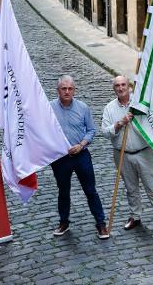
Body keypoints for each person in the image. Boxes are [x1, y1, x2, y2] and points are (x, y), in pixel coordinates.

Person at [101, 75, 153, 237]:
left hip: (144, 153)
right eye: (117, 86)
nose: (121, 88)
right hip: (122, 154)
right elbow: (105, 132)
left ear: (129, 86)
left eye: (123, 84)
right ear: (113, 89)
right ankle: (135, 216)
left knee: (152, 188)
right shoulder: (109, 108)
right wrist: (120, 123)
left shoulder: (140, 103)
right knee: (131, 188)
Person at [49, 75, 109, 240]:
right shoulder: (48, 108)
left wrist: (81, 145)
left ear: (74, 90)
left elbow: (91, 130)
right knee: (63, 191)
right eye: (63, 89)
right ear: (58, 90)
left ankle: (101, 223)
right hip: (60, 158)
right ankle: (64, 222)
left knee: (90, 190)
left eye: (70, 89)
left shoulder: (83, 107)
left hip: (81, 155)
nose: (67, 92)